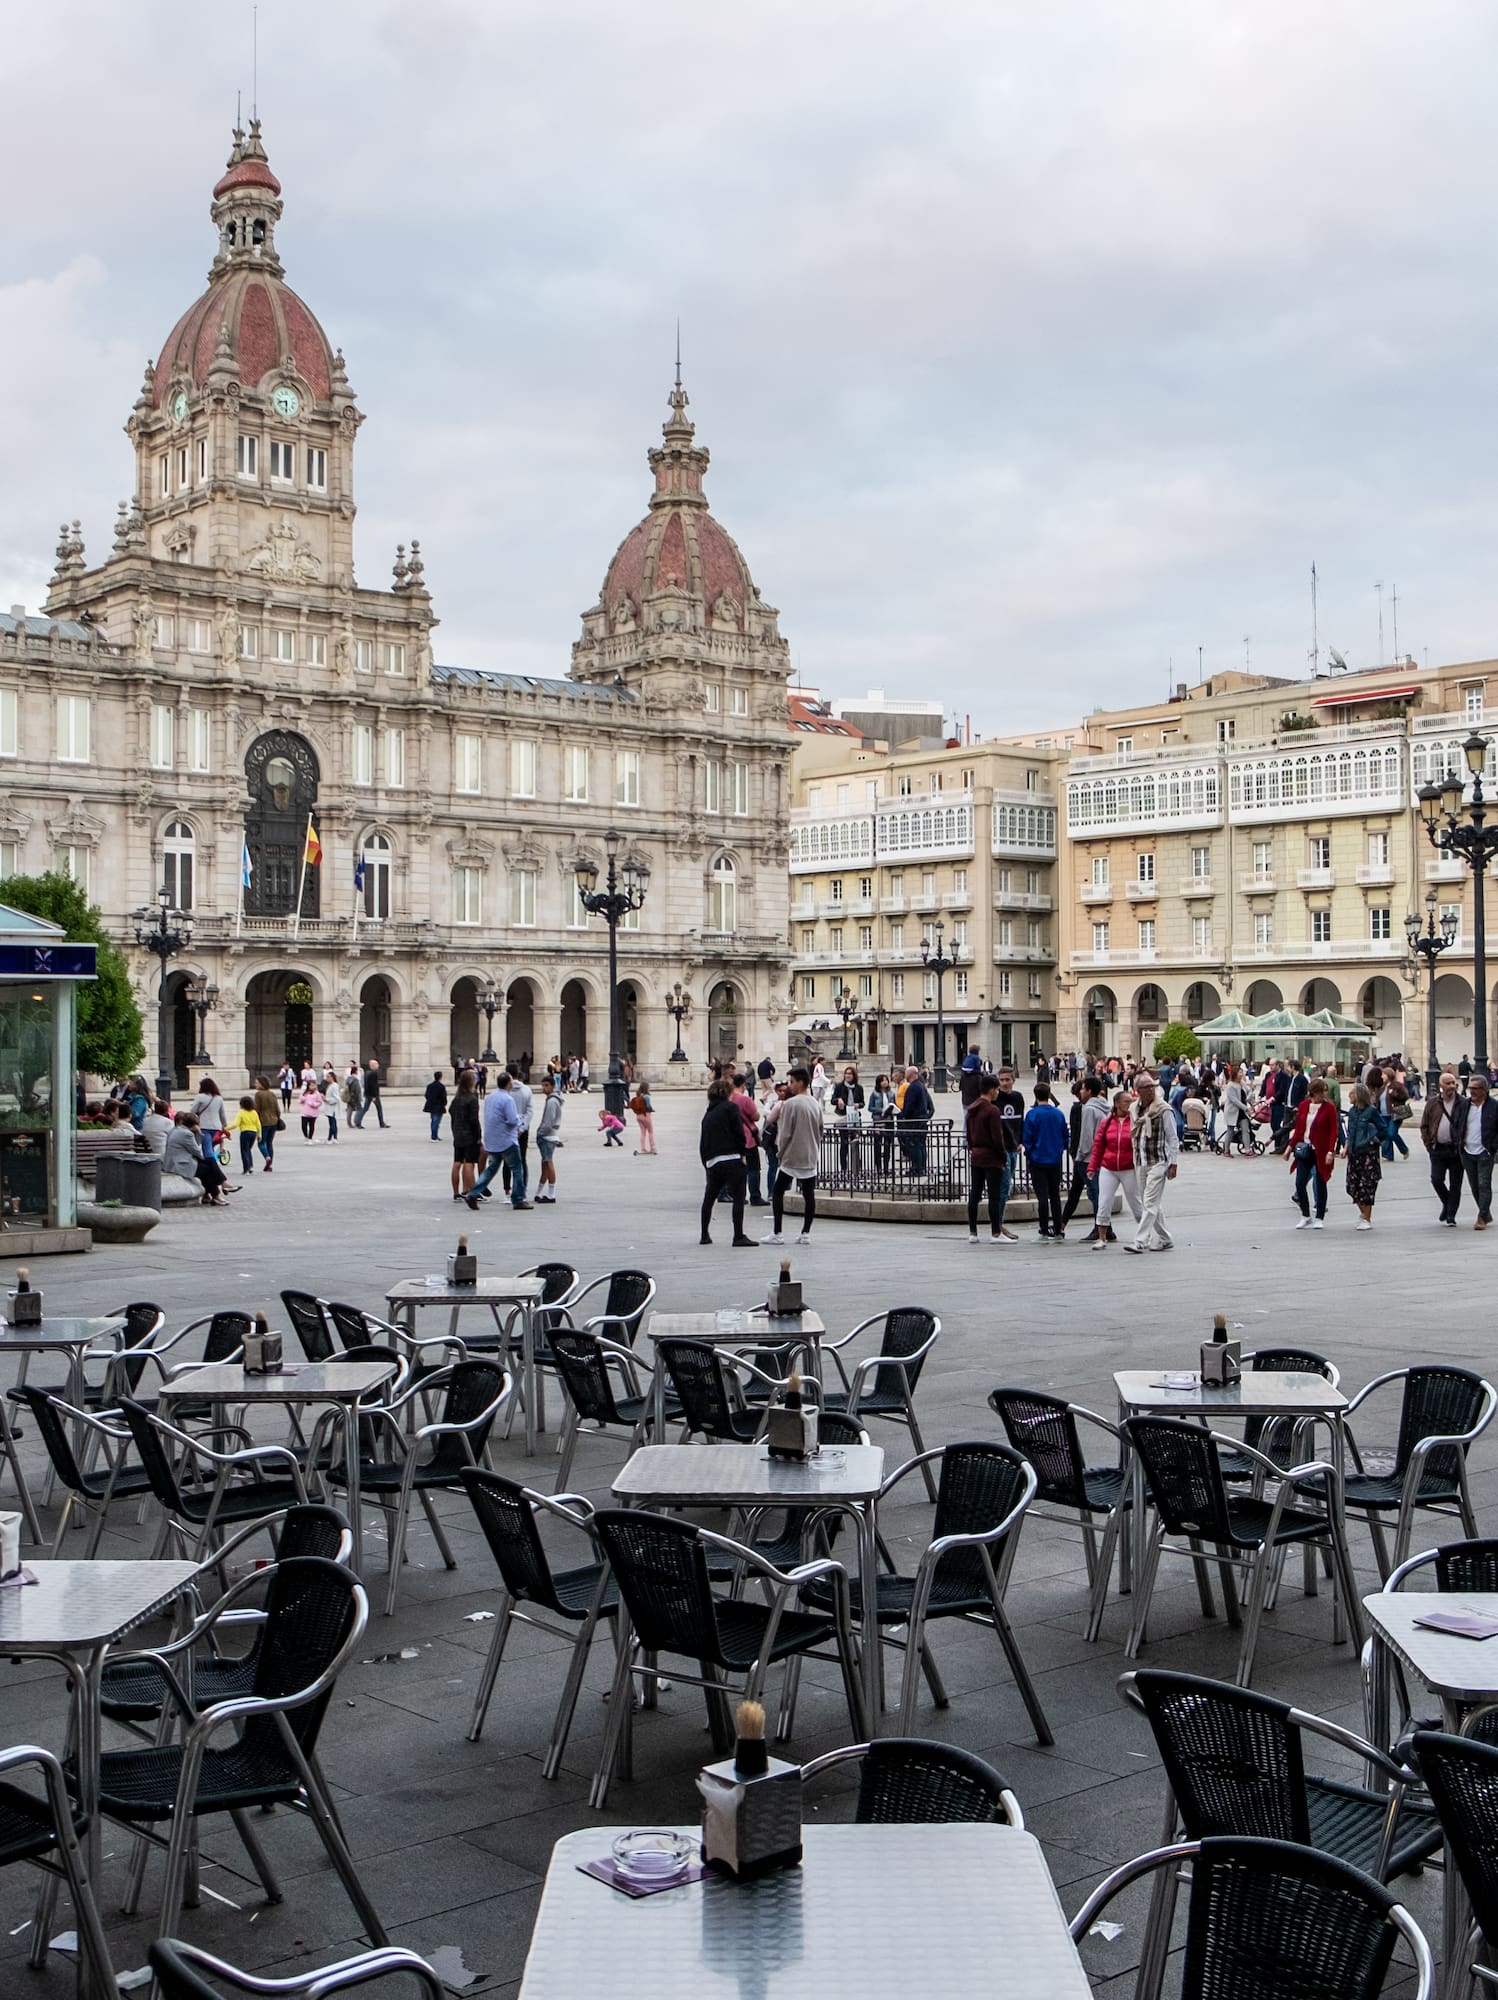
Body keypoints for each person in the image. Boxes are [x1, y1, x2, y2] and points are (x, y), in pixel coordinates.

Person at [762, 1065, 822, 1247]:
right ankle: (805, 1233)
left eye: (792, 1082)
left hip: (792, 1155)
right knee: (809, 1194)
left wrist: (781, 1153)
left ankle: (777, 1232)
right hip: (810, 1154)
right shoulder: (815, 1103)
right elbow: (821, 1129)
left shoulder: (790, 1104)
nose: (790, 1086)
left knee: (778, 1191)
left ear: (801, 1082)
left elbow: (786, 1133)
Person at [1127, 1073, 1179, 1253]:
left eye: (1153, 1087)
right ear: (1138, 1090)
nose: (1151, 1090)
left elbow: (1173, 1138)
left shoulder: (1163, 1109)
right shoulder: (1134, 1109)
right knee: (1150, 1202)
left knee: (1149, 1202)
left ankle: (1140, 1241)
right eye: (1146, 1087)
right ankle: (1165, 1238)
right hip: (1141, 1160)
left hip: (1158, 1161)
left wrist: (1173, 1163)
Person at [699, 1078, 754, 1247]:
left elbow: (703, 1142)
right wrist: (742, 1153)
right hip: (732, 1158)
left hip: (713, 1162)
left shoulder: (708, 1114)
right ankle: (738, 1235)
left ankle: (704, 1234)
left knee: (709, 1199)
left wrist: (706, 1163)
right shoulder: (731, 1108)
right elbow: (738, 1133)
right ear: (728, 1093)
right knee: (739, 1197)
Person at [465, 1073, 532, 1210]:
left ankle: (473, 1193)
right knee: (517, 1169)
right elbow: (512, 1120)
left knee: (491, 1169)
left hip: (492, 1140)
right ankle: (518, 1199)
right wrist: (520, 1120)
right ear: (508, 1084)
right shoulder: (508, 1099)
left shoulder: (490, 1097)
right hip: (507, 1140)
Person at [1058, 1074, 1110, 1242]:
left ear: (1089, 1090)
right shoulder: (1105, 1107)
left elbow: (1087, 1136)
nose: (1081, 1091)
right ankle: (1105, 1228)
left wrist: (1079, 1155)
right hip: (1101, 1154)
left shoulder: (1088, 1108)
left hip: (1088, 1157)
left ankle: (1100, 1227)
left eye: (1082, 1088)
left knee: (1094, 1193)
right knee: (1087, 1191)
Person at [1087, 1090, 1141, 1250]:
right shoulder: (1107, 1122)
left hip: (1128, 1167)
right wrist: (1092, 1166)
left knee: (1135, 1202)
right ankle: (1102, 1237)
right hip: (1108, 1167)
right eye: (1126, 1102)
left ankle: (1144, 1234)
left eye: (1131, 1101)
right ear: (1116, 1104)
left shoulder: (1135, 1121)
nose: (1129, 1105)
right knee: (1104, 1201)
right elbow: (1098, 1146)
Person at [1286, 1076, 1338, 1229]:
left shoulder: (1329, 1108)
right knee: (1300, 1182)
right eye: (1321, 1092)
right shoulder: (1304, 1106)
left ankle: (1320, 1216)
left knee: (1320, 1182)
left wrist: (1331, 1151)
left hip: (1321, 1151)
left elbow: (1334, 1131)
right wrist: (1290, 1148)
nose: (1323, 1095)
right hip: (1305, 1149)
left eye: (1324, 1092)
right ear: (1313, 1093)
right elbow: (1299, 1129)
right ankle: (1305, 1215)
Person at [1022, 1081, 1069, 1239]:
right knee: (1055, 1195)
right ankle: (1058, 1227)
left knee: (1042, 1195)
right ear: (1049, 1095)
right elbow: (1065, 1135)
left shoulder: (1032, 1115)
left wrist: (1029, 1152)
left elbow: (1027, 1138)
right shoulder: (1058, 1114)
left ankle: (1043, 1226)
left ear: (1035, 1096)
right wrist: (1060, 1149)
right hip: (1054, 1159)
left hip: (1037, 1159)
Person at [964, 1072, 1007, 1243]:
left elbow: (968, 1135)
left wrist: (973, 1148)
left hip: (976, 1155)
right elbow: (997, 1137)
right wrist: (1002, 1156)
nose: (998, 1092)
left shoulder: (971, 1109)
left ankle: (973, 1233)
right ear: (991, 1090)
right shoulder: (992, 1110)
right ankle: (996, 1232)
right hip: (991, 1156)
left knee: (975, 1195)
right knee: (994, 1196)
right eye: (996, 1089)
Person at [1421, 1069, 1465, 1227]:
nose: (1451, 1086)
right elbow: (1424, 1125)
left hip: (1456, 1150)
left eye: (1454, 1083)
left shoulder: (1463, 1103)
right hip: (1437, 1149)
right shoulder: (1433, 1103)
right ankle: (1447, 1203)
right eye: (1448, 1083)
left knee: (1455, 1184)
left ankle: (1451, 1215)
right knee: (1436, 1179)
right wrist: (1428, 1145)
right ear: (1440, 1085)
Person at [988, 1067, 1027, 1243]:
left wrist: (1021, 1140)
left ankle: (999, 1224)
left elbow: (1020, 1120)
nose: (1004, 1083)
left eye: (1007, 1080)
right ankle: (998, 1225)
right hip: (1000, 1150)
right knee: (1002, 1188)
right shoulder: (995, 1100)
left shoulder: (1018, 1098)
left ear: (1013, 1080)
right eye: (1001, 1080)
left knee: (1007, 1185)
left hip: (1014, 1147)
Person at [164, 1111, 231, 1206]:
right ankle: (218, 1192)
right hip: (180, 1164)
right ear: (194, 1125)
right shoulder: (187, 1134)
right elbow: (198, 1151)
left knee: (209, 1164)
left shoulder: (175, 1130)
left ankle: (213, 1193)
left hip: (172, 1163)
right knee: (208, 1168)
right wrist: (199, 1133)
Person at [1344, 1081, 1384, 1229]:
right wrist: (1347, 1146)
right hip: (1354, 1153)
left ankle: (1367, 1218)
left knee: (1366, 1186)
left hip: (1368, 1154)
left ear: (1359, 1095)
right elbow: (1350, 1132)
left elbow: (1383, 1129)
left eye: (1352, 1092)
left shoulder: (1371, 1111)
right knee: (1352, 1186)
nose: (1349, 1095)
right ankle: (1363, 1214)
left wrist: (1373, 1141)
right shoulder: (1352, 1111)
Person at [1461, 1071, 1498, 1230]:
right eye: (1470, 1088)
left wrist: (1493, 1147)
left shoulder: (1494, 1106)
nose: (1472, 1091)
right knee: (1474, 1185)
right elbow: (1458, 1125)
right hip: (1467, 1151)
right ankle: (1486, 1212)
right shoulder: (1464, 1105)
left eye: (1475, 1088)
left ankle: (1481, 1217)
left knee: (1484, 1184)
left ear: (1484, 1089)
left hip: (1485, 1151)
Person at [450, 1068, 482, 1201]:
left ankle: (457, 1192)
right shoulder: (471, 1098)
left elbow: (451, 1112)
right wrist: (479, 1136)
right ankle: (473, 1192)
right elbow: (474, 1120)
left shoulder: (457, 1098)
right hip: (469, 1135)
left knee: (457, 1163)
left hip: (458, 1134)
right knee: (469, 1163)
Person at [730, 1075, 763, 1199]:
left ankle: (738, 1196)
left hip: (733, 1138)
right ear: (743, 1085)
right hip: (748, 1138)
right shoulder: (745, 1100)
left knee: (738, 1169)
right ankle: (755, 1195)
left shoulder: (729, 1099)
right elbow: (755, 1116)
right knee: (753, 1168)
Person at [898, 1064, 934, 1177]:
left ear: (912, 1074)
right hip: (922, 1120)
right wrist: (926, 1117)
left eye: (907, 1073)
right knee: (921, 1145)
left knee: (914, 1145)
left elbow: (909, 1106)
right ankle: (922, 1167)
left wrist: (902, 1115)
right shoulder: (922, 1086)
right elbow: (931, 1107)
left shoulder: (913, 1087)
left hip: (913, 1121)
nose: (905, 1075)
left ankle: (916, 1168)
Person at [534, 1074, 564, 1202]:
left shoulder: (552, 1101)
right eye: (543, 1085)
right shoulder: (553, 1100)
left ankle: (551, 1194)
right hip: (549, 1135)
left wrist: (540, 1132)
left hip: (548, 1136)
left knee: (548, 1162)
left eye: (546, 1085)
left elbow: (549, 1121)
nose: (544, 1088)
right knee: (545, 1164)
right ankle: (539, 1192)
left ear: (552, 1086)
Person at [830, 1065, 864, 1174]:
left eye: (850, 1074)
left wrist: (858, 1104)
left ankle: (856, 1168)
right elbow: (832, 1100)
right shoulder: (839, 1086)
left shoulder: (859, 1088)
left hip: (854, 1116)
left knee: (855, 1142)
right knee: (844, 1143)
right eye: (846, 1073)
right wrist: (838, 1100)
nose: (848, 1075)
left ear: (854, 1075)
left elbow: (863, 1102)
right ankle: (844, 1168)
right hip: (843, 1116)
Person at [191, 1077, 228, 1161]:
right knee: (210, 1147)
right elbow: (222, 1114)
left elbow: (193, 1110)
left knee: (207, 1149)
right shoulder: (219, 1098)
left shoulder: (200, 1097)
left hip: (204, 1126)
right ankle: (211, 1163)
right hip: (216, 1127)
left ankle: (212, 1166)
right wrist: (225, 1125)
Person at [867, 1073, 896, 1176]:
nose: (885, 1082)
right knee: (878, 1145)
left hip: (889, 1121)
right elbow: (870, 1108)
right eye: (882, 1080)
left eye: (886, 1080)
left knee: (888, 1145)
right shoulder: (874, 1094)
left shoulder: (892, 1093)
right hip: (878, 1121)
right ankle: (878, 1167)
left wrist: (892, 1109)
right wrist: (881, 1110)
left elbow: (894, 1105)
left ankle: (886, 1168)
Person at [252, 1074, 282, 1173]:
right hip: (273, 1121)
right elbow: (277, 1109)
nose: (255, 1084)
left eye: (256, 1083)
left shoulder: (258, 1094)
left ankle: (267, 1157)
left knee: (261, 1142)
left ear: (261, 1084)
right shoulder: (272, 1094)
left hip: (263, 1121)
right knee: (269, 1142)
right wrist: (277, 1118)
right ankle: (269, 1164)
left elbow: (257, 1109)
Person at [1221, 1063, 1251, 1158]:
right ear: (1235, 1074)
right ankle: (1226, 1150)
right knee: (1230, 1130)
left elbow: (1249, 1091)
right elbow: (1234, 1100)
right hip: (1232, 1111)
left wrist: (1248, 1099)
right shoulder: (1230, 1086)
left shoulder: (1241, 1083)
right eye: (1240, 1072)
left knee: (1245, 1129)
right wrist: (1246, 1108)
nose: (1241, 1074)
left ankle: (1247, 1149)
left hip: (1242, 1111)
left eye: (1242, 1072)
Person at [229, 1095, 261, 1176]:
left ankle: (246, 1168)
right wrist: (259, 1135)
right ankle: (250, 1166)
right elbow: (258, 1124)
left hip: (245, 1132)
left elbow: (236, 1124)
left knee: (244, 1151)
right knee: (248, 1150)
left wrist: (226, 1128)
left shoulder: (241, 1113)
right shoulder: (254, 1112)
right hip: (253, 1133)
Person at [356, 1057, 386, 1129]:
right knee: (379, 1109)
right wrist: (374, 1096)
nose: (378, 1065)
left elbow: (367, 1085)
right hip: (373, 1095)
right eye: (376, 1064)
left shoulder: (367, 1073)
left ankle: (358, 1121)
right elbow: (373, 1085)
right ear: (373, 1065)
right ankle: (381, 1123)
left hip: (368, 1094)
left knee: (365, 1108)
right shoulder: (374, 1073)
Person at [630, 1079, 657, 1156]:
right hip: (646, 1115)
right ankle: (653, 1148)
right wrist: (652, 1109)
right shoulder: (647, 1096)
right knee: (650, 1132)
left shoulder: (638, 1095)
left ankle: (643, 1148)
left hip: (638, 1116)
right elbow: (648, 1106)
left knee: (643, 1133)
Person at [424, 1071, 448, 1142]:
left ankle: (435, 1135)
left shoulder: (429, 1086)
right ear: (440, 1077)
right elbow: (444, 1097)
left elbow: (426, 1095)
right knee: (436, 1121)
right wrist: (444, 1103)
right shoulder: (441, 1086)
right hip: (438, 1106)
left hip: (431, 1105)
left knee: (433, 1121)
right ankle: (434, 1137)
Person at [299, 1075, 323, 1142]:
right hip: (305, 1112)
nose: (312, 1087)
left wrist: (313, 1104)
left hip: (313, 1112)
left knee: (311, 1125)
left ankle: (310, 1137)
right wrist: (302, 1099)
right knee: (304, 1125)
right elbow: (300, 1100)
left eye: (313, 1085)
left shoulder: (317, 1093)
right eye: (311, 1085)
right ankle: (306, 1136)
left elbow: (320, 1102)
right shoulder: (305, 1093)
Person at [342, 1062, 364, 1128]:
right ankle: (357, 1122)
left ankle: (349, 1123)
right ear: (356, 1071)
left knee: (349, 1110)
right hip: (354, 1097)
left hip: (349, 1096)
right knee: (360, 1109)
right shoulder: (355, 1080)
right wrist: (358, 1098)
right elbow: (357, 1090)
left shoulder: (348, 1079)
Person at [322, 1076, 340, 1144]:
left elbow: (336, 1098)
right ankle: (335, 1137)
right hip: (329, 1107)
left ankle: (330, 1138)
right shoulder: (330, 1085)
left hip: (332, 1107)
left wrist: (326, 1099)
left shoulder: (334, 1086)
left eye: (329, 1077)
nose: (327, 1078)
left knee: (332, 1123)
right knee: (333, 1123)